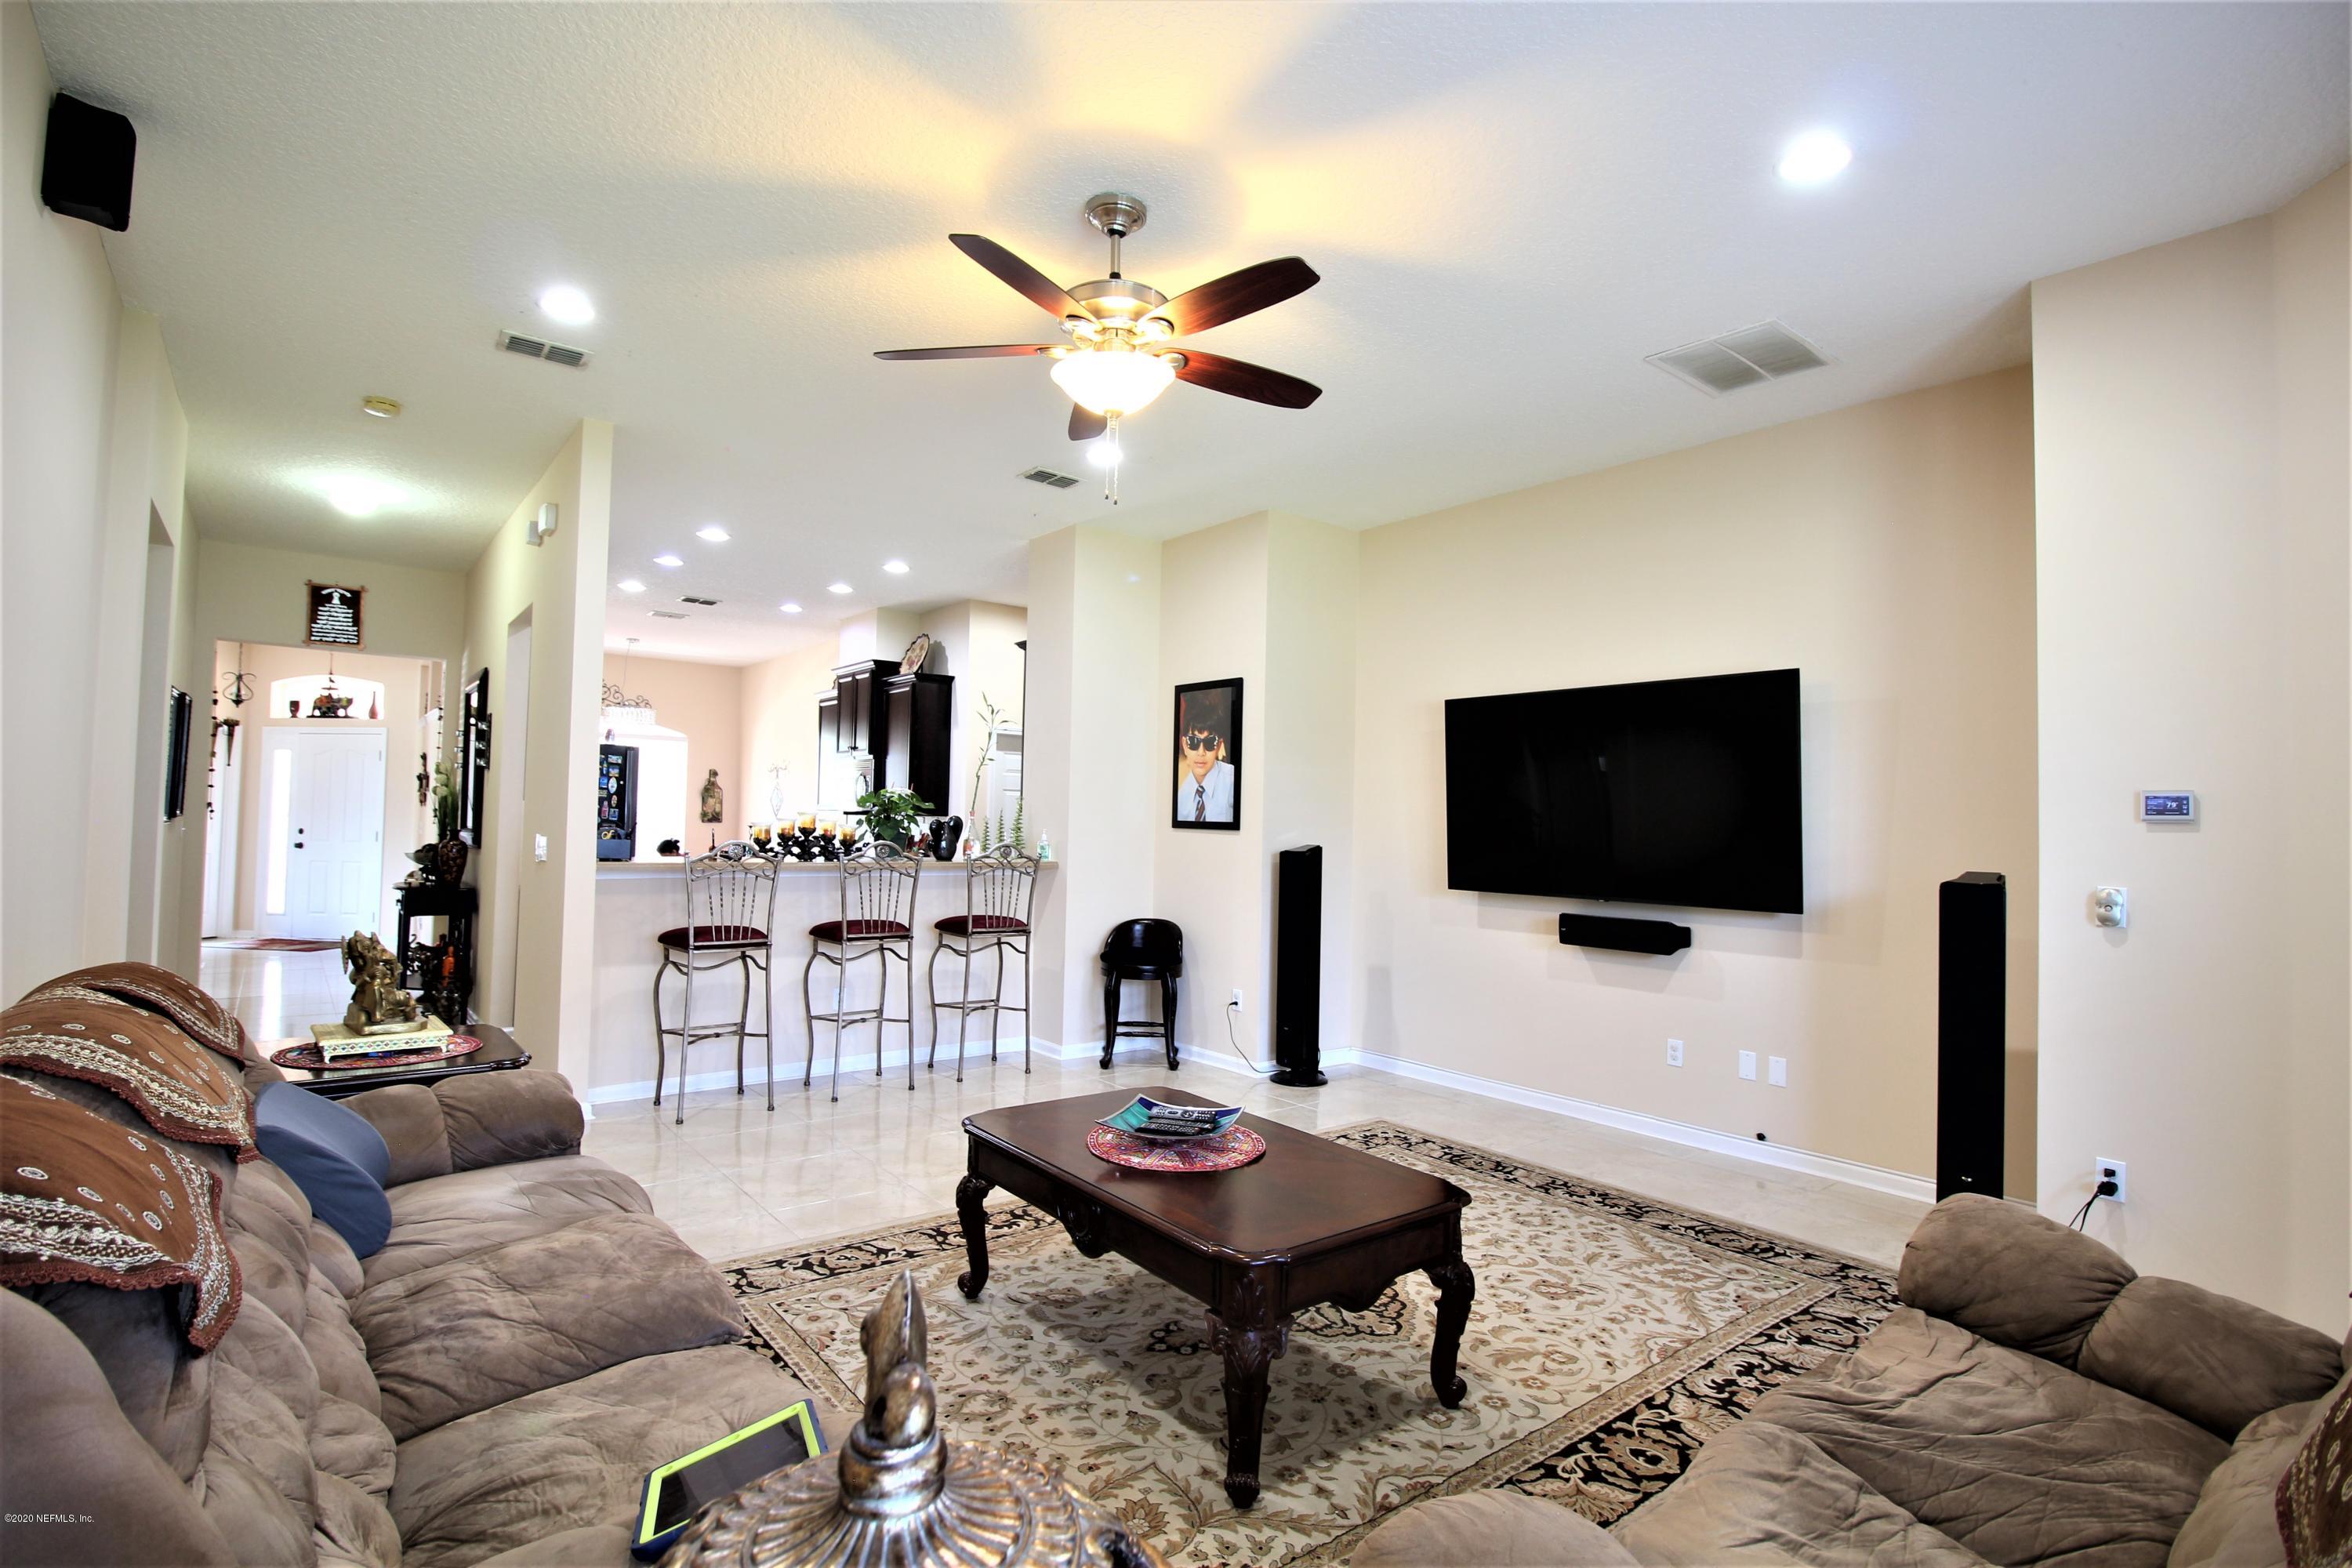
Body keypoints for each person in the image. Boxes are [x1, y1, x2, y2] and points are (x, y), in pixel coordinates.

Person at [1174, 689, 1236, 824]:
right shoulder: (1180, 796)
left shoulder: (1233, 781)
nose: (1201, 752)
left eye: (1209, 743)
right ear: (1185, 745)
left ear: (1219, 746)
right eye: (1193, 742)